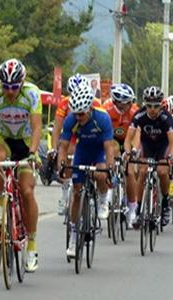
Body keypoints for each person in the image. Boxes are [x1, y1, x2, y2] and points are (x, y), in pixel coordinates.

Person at [0, 58, 42, 272]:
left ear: (22, 83)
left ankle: (32, 245)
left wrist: (32, 153)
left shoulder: (31, 93)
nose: (9, 91)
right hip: (4, 139)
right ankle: (0, 201)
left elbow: (37, 127)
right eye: (6, 86)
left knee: (27, 191)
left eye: (14, 87)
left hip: (26, 143)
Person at [58, 84, 114, 257]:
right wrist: (61, 165)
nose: (78, 117)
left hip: (98, 151)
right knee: (76, 193)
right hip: (82, 151)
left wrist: (109, 168)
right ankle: (74, 235)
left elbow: (109, 148)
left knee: (100, 173)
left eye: (81, 113)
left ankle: (103, 198)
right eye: (76, 113)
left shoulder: (102, 118)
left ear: (90, 108)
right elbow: (64, 146)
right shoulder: (71, 120)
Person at [124, 86, 173, 227]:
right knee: (142, 172)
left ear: (161, 105)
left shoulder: (166, 117)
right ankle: (139, 210)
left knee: (162, 171)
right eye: (149, 105)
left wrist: (171, 156)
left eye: (156, 106)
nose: (152, 109)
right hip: (147, 145)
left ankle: (165, 204)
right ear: (144, 104)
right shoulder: (139, 115)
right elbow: (128, 139)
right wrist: (128, 153)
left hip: (162, 147)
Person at [51, 73, 102, 215]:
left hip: (91, 135)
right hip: (72, 134)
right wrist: (54, 148)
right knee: (67, 154)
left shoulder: (95, 102)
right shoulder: (64, 103)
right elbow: (57, 128)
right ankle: (65, 191)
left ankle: (93, 191)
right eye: (73, 94)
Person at [103, 83, 139, 226]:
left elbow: (137, 134)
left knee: (130, 172)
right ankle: (108, 192)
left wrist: (133, 151)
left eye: (131, 101)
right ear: (117, 102)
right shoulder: (106, 110)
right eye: (127, 103)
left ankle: (132, 209)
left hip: (129, 139)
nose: (131, 104)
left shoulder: (134, 112)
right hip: (112, 139)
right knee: (112, 152)